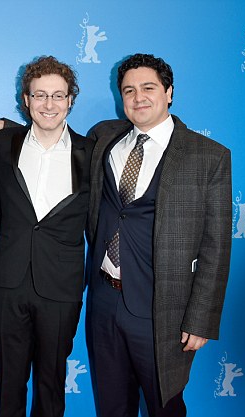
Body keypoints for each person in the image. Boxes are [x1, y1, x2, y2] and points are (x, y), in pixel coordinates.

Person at [86, 53, 232, 417]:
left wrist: (200, 320)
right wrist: (6, 127)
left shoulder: (208, 156)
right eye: (129, 90)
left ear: (169, 92)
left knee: (164, 406)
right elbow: (52, 136)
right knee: (112, 406)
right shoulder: (105, 138)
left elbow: (216, 245)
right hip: (105, 300)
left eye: (148, 88)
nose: (138, 97)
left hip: (162, 308)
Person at [0, 56, 93, 417]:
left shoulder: (91, 153)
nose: (49, 104)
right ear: (26, 100)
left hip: (61, 286)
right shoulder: (3, 143)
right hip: (8, 281)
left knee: (51, 385)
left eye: (58, 96)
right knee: (9, 383)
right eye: (40, 95)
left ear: (70, 101)